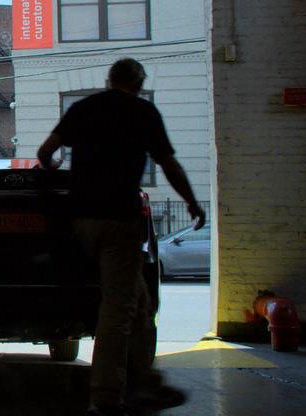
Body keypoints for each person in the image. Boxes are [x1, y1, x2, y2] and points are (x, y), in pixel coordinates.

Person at [37, 58, 206, 416]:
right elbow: (169, 164)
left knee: (139, 302)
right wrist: (191, 202)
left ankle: (144, 382)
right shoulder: (143, 113)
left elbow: (45, 152)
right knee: (118, 308)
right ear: (139, 81)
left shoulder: (83, 108)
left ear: (110, 79)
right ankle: (108, 396)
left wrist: (58, 172)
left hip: (81, 219)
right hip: (119, 219)